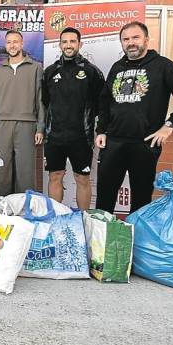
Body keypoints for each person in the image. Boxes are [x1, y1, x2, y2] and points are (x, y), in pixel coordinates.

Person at [96, 21, 173, 213]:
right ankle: (102, 240)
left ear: (146, 39)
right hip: (114, 142)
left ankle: (138, 240)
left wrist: (169, 125)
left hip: (145, 144)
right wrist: (101, 130)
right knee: (104, 195)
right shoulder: (117, 67)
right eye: (125, 39)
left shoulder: (163, 66)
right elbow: (104, 101)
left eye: (135, 37)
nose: (130, 43)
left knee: (141, 198)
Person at [42, 27, 105, 210]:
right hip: (55, 136)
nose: (68, 45)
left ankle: (84, 218)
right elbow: (46, 102)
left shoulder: (92, 72)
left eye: (72, 41)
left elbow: (102, 104)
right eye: (65, 42)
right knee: (55, 176)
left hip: (81, 137)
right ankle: (57, 217)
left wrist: (99, 130)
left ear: (80, 44)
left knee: (82, 178)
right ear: (60, 44)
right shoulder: (50, 71)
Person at [0, 30, 44, 197]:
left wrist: (40, 127)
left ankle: (25, 209)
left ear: (22, 44)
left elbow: (41, 99)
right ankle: (3, 207)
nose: (12, 45)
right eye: (9, 42)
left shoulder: (35, 68)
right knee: (2, 170)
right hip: (2, 125)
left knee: (25, 172)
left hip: (27, 124)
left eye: (15, 42)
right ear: (5, 45)